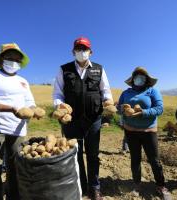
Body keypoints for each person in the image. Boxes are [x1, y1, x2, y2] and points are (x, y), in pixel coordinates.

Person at [0, 43, 43, 200]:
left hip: (18, 130)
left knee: (16, 171)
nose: (13, 61)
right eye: (9, 58)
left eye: (16, 59)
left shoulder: (23, 81)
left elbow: (29, 101)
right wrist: (12, 108)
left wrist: (35, 109)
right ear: (1, 60)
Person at [53, 37, 113, 200]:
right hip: (71, 121)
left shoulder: (99, 69)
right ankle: (80, 186)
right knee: (74, 154)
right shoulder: (64, 69)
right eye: (78, 49)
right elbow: (58, 93)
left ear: (90, 52)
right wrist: (59, 107)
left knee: (93, 154)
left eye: (84, 49)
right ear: (73, 52)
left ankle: (94, 187)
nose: (81, 51)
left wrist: (108, 101)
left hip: (93, 119)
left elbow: (105, 90)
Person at [117, 67, 171, 199]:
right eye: (136, 76)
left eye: (142, 77)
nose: (139, 79)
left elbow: (159, 109)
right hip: (131, 131)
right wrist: (122, 109)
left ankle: (161, 185)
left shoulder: (152, 91)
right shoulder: (126, 93)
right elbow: (118, 108)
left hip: (148, 131)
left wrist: (144, 112)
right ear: (133, 79)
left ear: (146, 80)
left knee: (154, 160)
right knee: (135, 159)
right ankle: (137, 184)